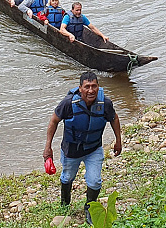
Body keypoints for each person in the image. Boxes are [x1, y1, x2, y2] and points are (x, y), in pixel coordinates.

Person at [44, 71, 122, 221]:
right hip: (71, 150)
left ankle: (89, 208)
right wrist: (48, 146)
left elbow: (114, 118)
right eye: (87, 87)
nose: (91, 90)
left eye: (94, 86)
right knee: (67, 178)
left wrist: (118, 140)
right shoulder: (68, 104)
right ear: (80, 88)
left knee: (94, 181)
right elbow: (53, 121)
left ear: (98, 87)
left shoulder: (105, 104)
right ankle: (65, 203)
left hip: (94, 149)